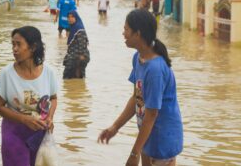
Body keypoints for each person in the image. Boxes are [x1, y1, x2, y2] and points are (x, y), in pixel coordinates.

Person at [98, 9, 183, 166]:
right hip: (148, 134)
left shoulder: (155, 70)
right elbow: (137, 98)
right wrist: (115, 127)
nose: (123, 33)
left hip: (162, 138)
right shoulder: (138, 58)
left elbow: (151, 114)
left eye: (126, 29)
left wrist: (134, 153)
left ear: (137, 34)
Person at [0, 26, 59, 166]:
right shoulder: (7, 74)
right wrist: (23, 119)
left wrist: (50, 117)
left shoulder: (48, 72)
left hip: (40, 134)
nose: (14, 49)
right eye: (13, 44)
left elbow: (53, 98)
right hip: (14, 133)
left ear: (33, 47)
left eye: (19, 44)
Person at [63, 10, 90, 79]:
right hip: (73, 57)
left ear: (76, 18)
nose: (70, 19)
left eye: (72, 17)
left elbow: (83, 44)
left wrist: (81, 56)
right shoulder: (73, 28)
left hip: (78, 58)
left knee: (72, 77)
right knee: (73, 79)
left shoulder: (79, 29)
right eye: (68, 17)